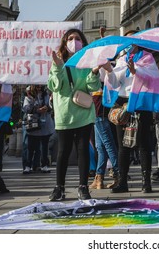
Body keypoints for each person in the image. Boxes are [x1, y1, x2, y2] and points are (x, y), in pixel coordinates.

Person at [103, 30, 159, 194]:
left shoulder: (147, 58)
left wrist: (137, 71)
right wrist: (109, 70)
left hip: (140, 103)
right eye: (127, 39)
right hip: (123, 103)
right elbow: (115, 83)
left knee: (143, 144)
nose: (130, 42)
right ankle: (122, 181)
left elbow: (154, 79)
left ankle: (146, 182)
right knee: (123, 145)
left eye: (133, 38)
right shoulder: (122, 59)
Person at [47, 28, 101, 201]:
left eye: (77, 38)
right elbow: (55, 86)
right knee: (63, 151)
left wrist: (93, 72)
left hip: (84, 112)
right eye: (70, 38)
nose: (74, 41)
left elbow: (92, 87)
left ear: (83, 42)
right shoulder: (59, 61)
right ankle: (59, 187)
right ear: (64, 42)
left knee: (83, 149)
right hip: (64, 113)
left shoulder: (87, 62)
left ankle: (83, 187)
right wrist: (56, 66)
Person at [22, 85, 55, 174]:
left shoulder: (46, 95)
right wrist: (36, 109)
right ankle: (28, 166)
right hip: (33, 125)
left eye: (40, 85)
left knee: (44, 147)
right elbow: (25, 108)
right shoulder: (28, 96)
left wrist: (47, 108)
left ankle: (44, 165)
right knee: (30, 147)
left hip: (45, 124)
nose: (39, 87)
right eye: (37, 86)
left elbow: (51, 106)